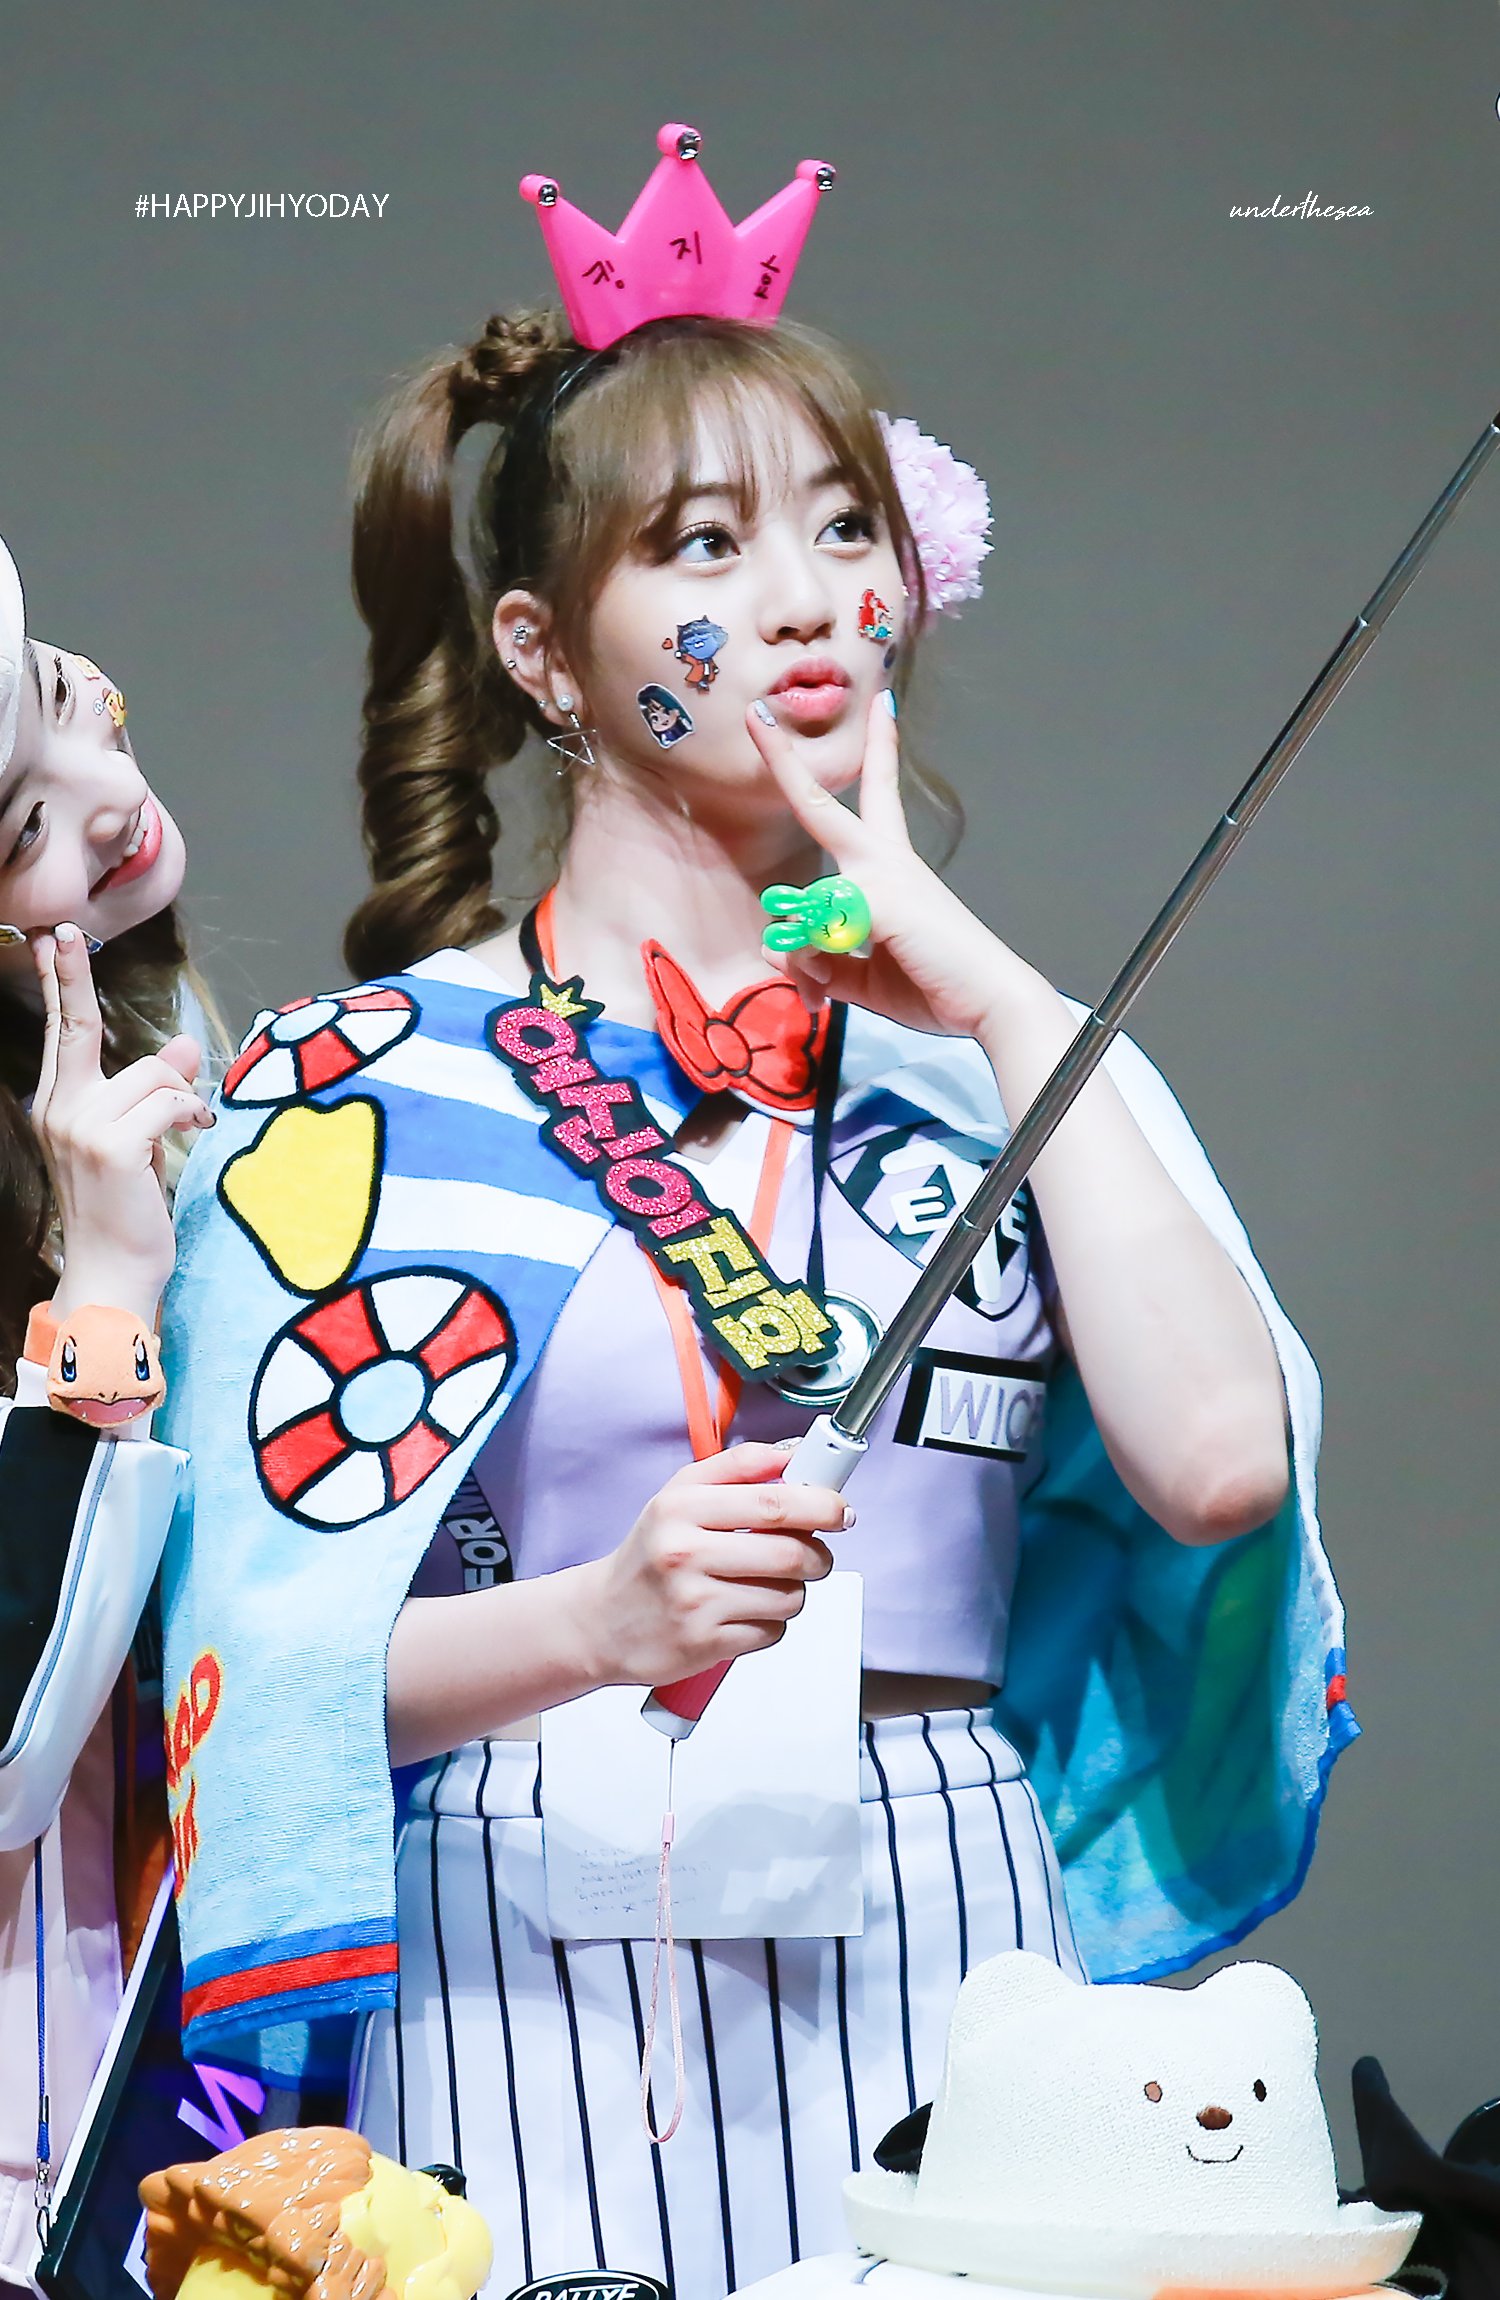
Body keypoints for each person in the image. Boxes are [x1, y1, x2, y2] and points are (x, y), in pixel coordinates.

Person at [159, 127, 1351, 2300]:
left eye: (841, 525)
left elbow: (1219, 1471)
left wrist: (1003, 999)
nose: (801, 596)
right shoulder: (350, 1092)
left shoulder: (999, 1067)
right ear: (543, 653)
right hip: (526, 1925)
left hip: (953, 1921)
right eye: (705, 542)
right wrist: (595, 1623)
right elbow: (232, 1673)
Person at [0, 531, 215, 2282]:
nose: (108, 792)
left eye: (64, 697)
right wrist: (109, 1293)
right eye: (23, 827)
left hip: (128, 2023)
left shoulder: (150, 1039)